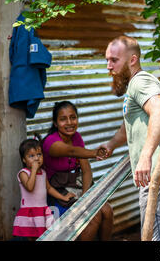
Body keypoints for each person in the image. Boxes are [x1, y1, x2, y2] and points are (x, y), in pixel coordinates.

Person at [99, 36, 160, 241]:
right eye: (107, 60)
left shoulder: (141, 81)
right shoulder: (134, 86)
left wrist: (145, 156)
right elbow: (129, 125)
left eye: (114, 60)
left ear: (132, 60)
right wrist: (112, 144)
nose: (108, 66)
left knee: (159, 239)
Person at [42, 101, 114, 241]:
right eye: (63, 119)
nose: (69, 122)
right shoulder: (51, 142)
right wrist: (95, 153)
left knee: (107, 210)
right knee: (92, 216)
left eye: (73, 117)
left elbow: (86, 170)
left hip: (77, 189)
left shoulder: (76, 137)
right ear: (55, 123)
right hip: (58, 194)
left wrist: (85, 196)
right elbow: (72, 151)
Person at [12, 138, 75, 240]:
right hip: (30, 212)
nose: (37, 159)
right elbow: (30, 187)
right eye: (31, 156)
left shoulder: (43, 173)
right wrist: (33, 170)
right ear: (24, 159)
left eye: (39, 154)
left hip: (42, 211)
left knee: (45, 237)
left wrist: (63, 197)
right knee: (32, 238)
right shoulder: (23, 173)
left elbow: (49, 188)